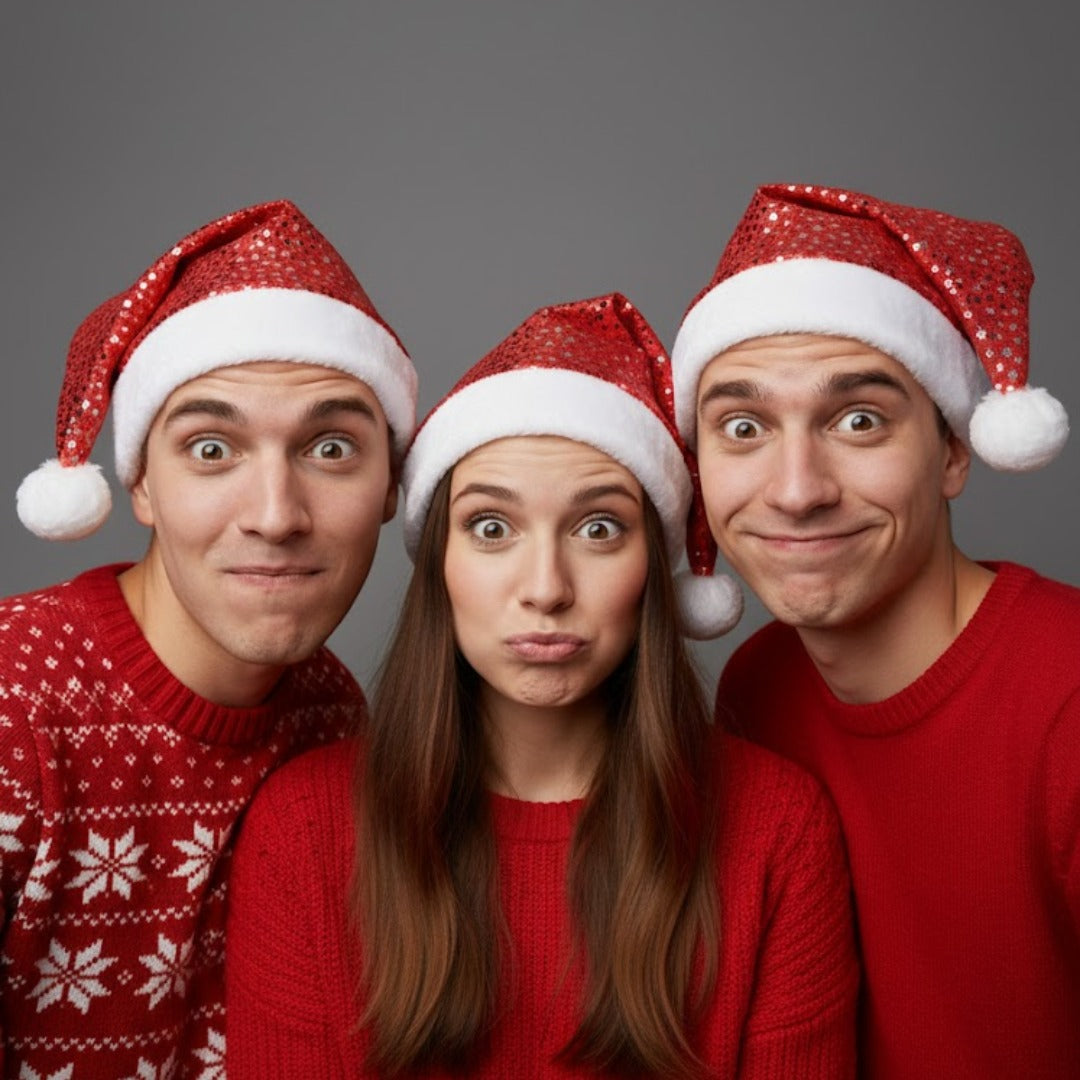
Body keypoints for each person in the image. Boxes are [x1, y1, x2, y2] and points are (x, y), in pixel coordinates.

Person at [225, 292, 859, 1078]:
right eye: (492, 529)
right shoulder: (304, 830)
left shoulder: (777, 827)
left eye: (599, 530)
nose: (546, 588)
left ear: (652, 572)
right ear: (441, 566)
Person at [669, 182, 1078, 1079]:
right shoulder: (756, 687)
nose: (796, 488)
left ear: (957, 450)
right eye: (742, 427)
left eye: (858, 421)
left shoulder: (1066, 701)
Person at [0, 199, 417, 1078]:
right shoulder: (12, 701)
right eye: (213, 450)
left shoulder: (333, 715)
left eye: (332, 448)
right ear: (141, 484)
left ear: (392, 487)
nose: (275, 516)